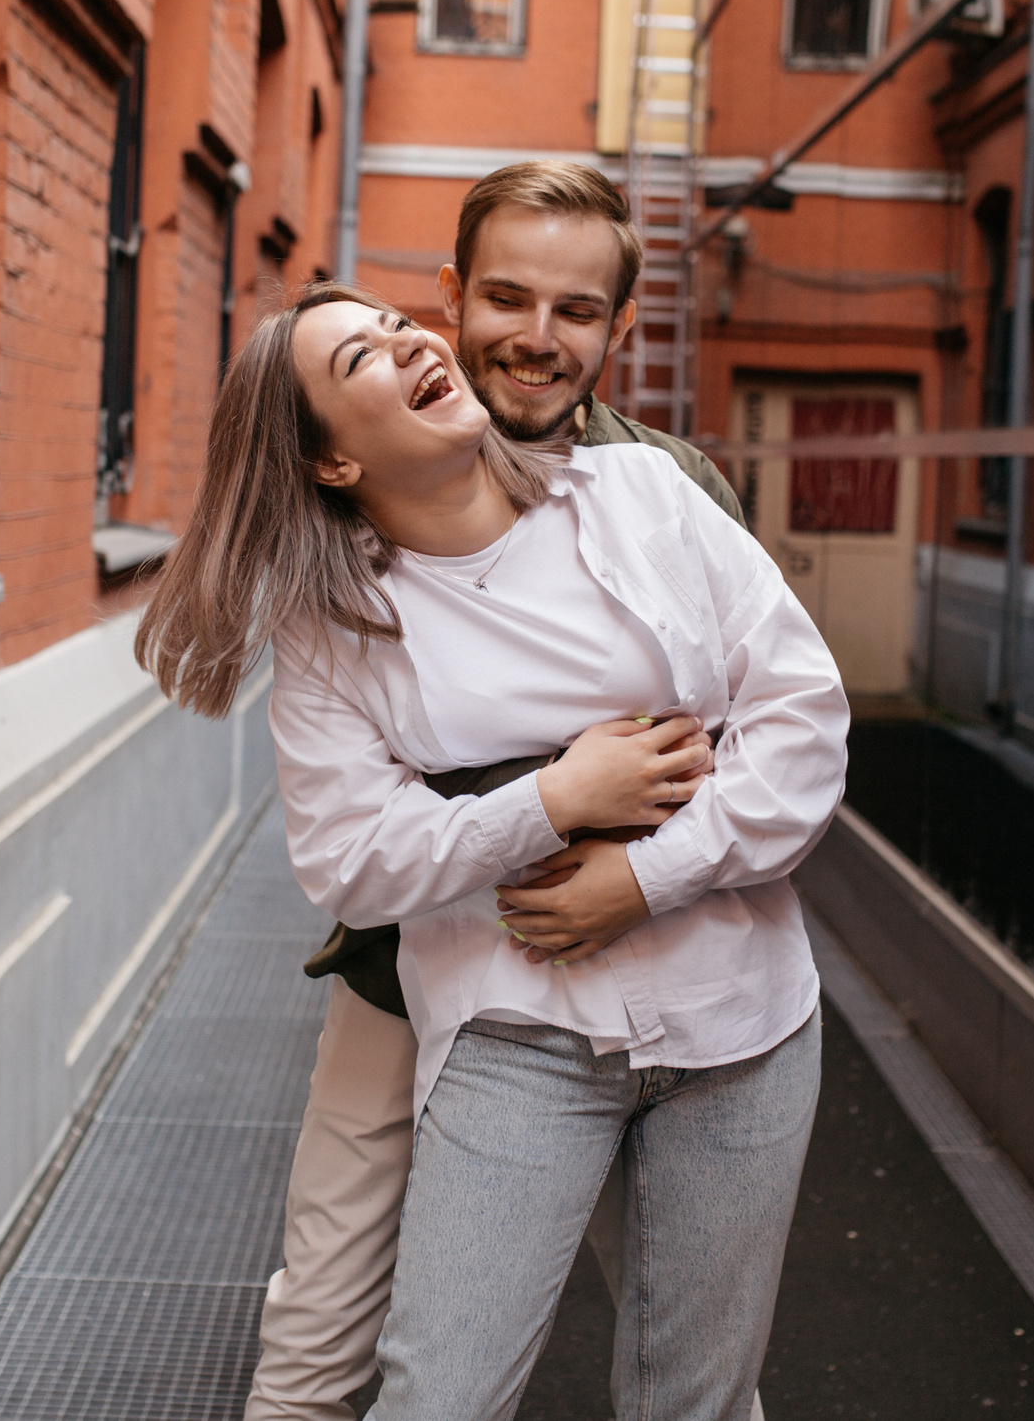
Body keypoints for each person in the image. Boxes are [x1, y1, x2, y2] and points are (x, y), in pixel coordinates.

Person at [138, 261, 847, 1415]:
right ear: (331, 460)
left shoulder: (641, 499)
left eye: (395, 323)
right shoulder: (338, 625)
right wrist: (559, 799)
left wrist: (641, 877)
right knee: (440, 1396)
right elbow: (348, 860)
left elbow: (802, 726)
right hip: (518, 1030)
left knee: (699, 1402)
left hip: (742, 1022)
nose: (412, 343)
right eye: (362, 357)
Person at [247, 164, 754, 1420]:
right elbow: (349, 811)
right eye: (506, 299)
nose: (536, 340)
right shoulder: (374, 463)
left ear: (617, 328)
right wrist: (559, 795)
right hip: (402, 961)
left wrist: (631, 879)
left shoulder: (667, 486)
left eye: (576, 313)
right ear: (450, 296)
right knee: (324, 1311)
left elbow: (755, 735)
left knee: (692, 1337)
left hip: (615, 961)